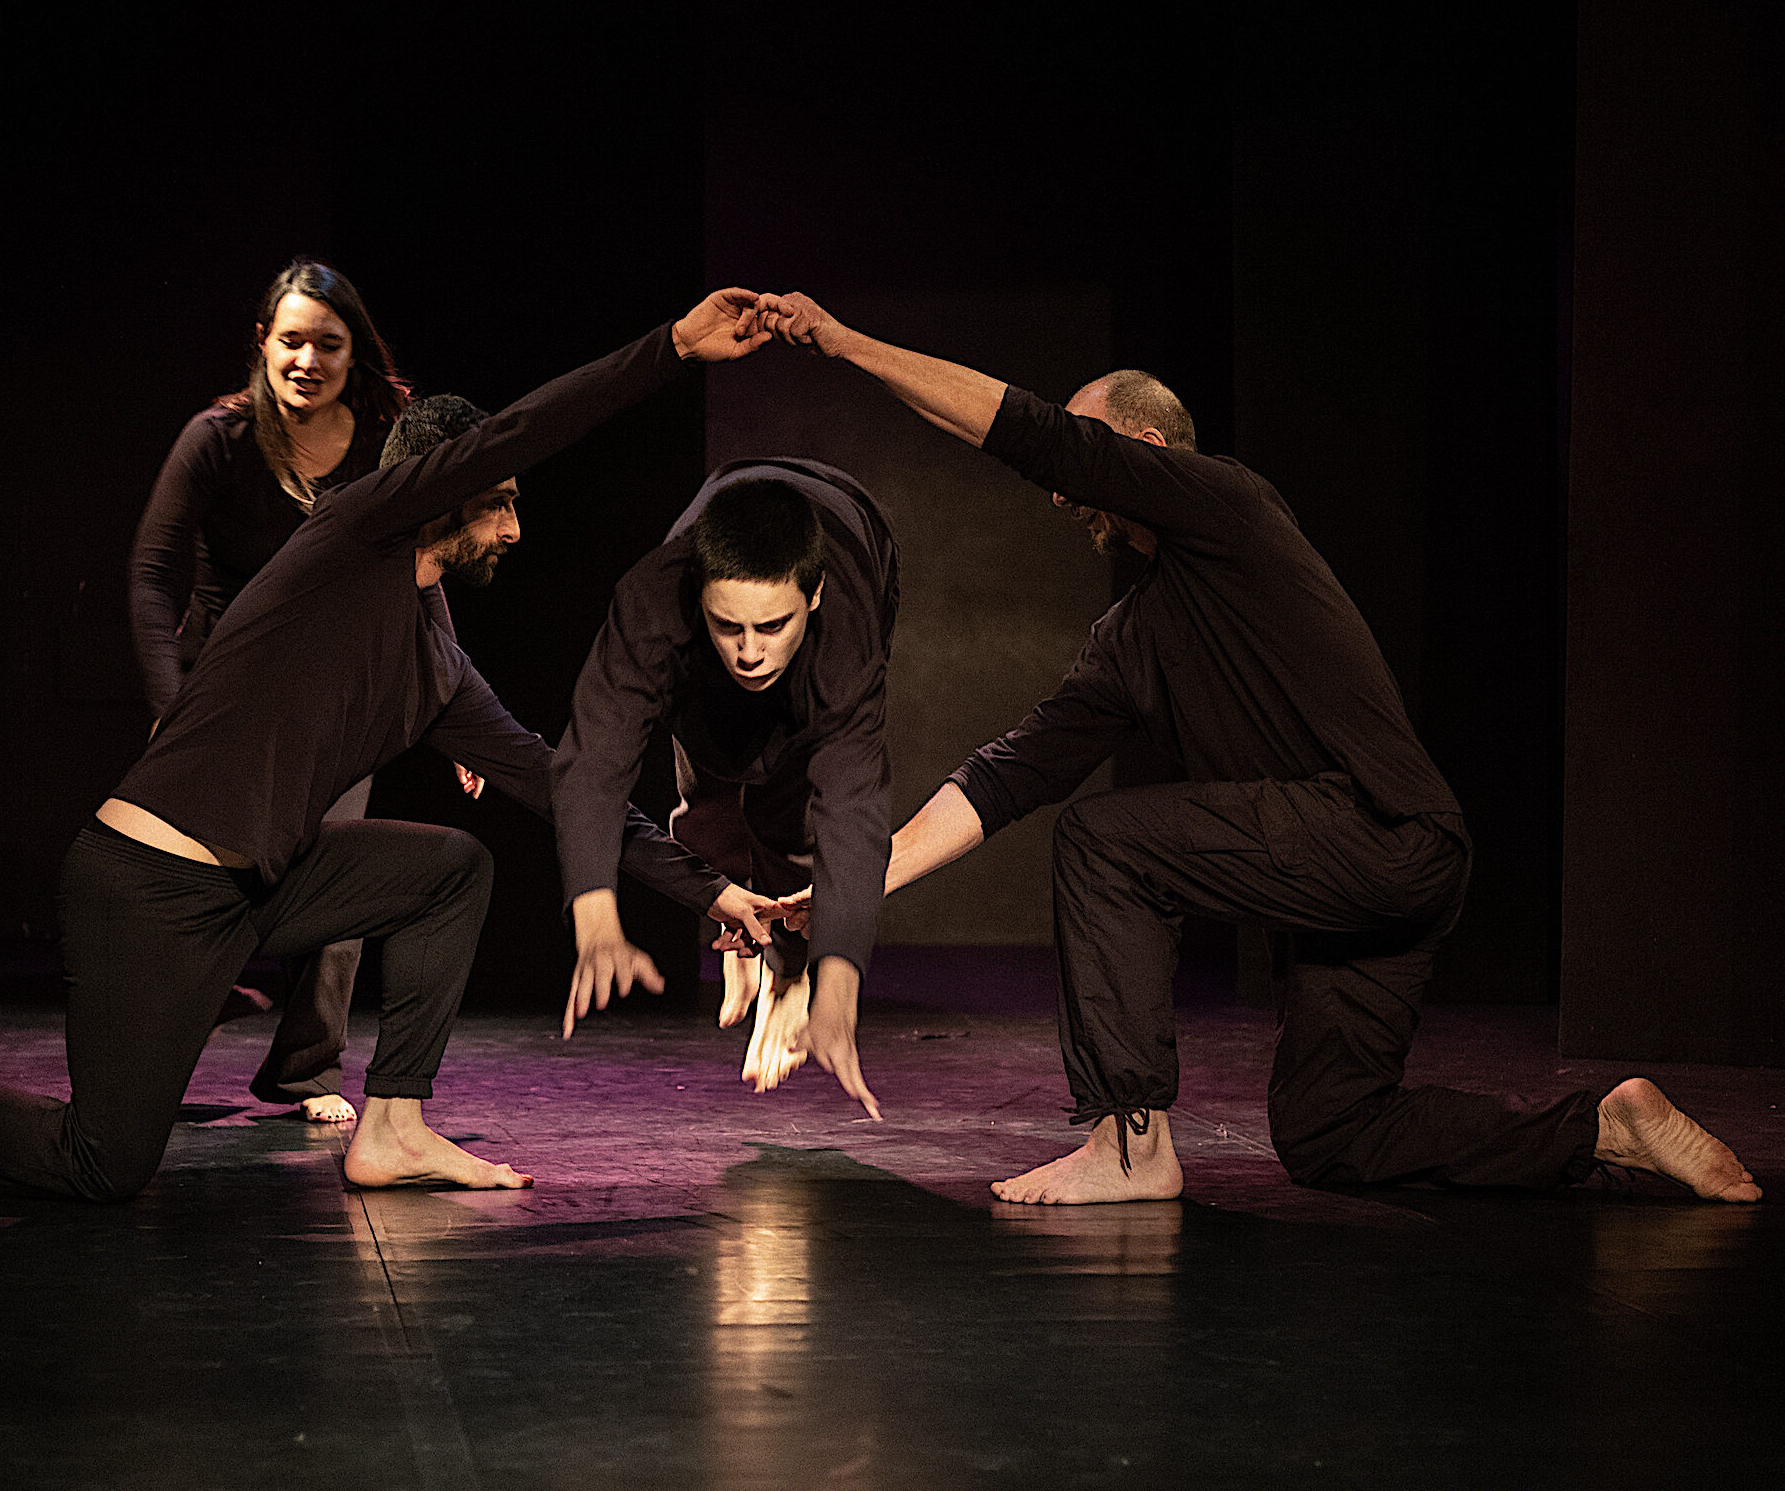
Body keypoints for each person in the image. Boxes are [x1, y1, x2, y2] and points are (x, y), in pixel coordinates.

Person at [752, 289, 1762, 1207]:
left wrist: (844, 343)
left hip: (1375, 828)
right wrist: (855, 883)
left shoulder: (1225, 504)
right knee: (1333, 1129)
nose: (1064, 497)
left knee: (1104, 844)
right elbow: (1006, 777)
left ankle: (1131, 1142)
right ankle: (1600, 1127)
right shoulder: (1133, 639)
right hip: (1369, 870)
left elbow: (1039, 442)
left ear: (1148, 448)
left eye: (1089, 458)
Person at [0, 289, 783, 1202]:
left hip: (254, 888)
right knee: (104, 1161)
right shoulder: (360, 532)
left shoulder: (437, 658)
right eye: (503, 499)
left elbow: (565, 783)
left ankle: (392, 1127)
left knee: (449, 867)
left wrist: (715, 892)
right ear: (449, 490)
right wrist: (672, 349)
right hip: (145, 886)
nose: (517, 530)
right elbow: (530, 424)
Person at [129, 258, 481, 1125]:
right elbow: (151, 575)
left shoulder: (382, 436)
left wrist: (457, 713)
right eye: (291, 341)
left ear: (353, 350)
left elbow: (423, 568)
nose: (306, 360)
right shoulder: (219, 438)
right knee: (208, 875)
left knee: (343, 870)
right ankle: (160, 1036)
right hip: (225, 688)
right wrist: (170, 702)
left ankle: (303, 1068)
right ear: (263, 343)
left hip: (337, 685)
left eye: (327, 343)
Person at [552, 462, 897, 1115]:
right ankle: (738, 923)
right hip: (718, 521)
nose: (748, 652)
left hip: (859, 532)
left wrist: (834, 991)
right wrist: (595, 918)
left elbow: (853, 814)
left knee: (790, 797)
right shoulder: (653, 599)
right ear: (697, 595)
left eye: (771, 628)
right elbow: (595, 758)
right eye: (727, 626)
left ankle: (783, 968)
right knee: (707, 781)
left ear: (813, 596)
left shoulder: (846, 636)